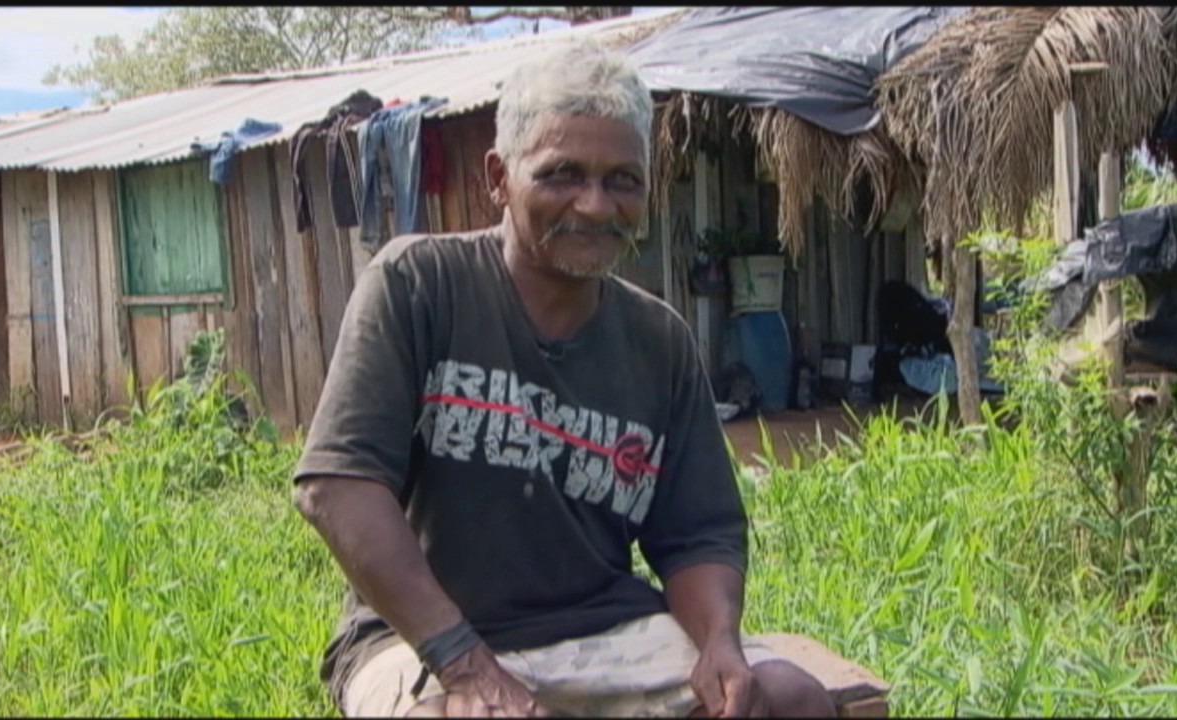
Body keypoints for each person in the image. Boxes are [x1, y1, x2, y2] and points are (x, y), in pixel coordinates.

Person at [293, 40, 836, 718]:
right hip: (421, 639)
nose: (595, 204)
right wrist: (465, 665)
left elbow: (697, 534)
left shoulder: (658, 341)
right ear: (499, 177)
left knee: (789, 699)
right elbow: (338, 488)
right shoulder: (419, 286)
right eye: (561, 174)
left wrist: (720, 644)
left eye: (622, 180)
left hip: (604, 629)